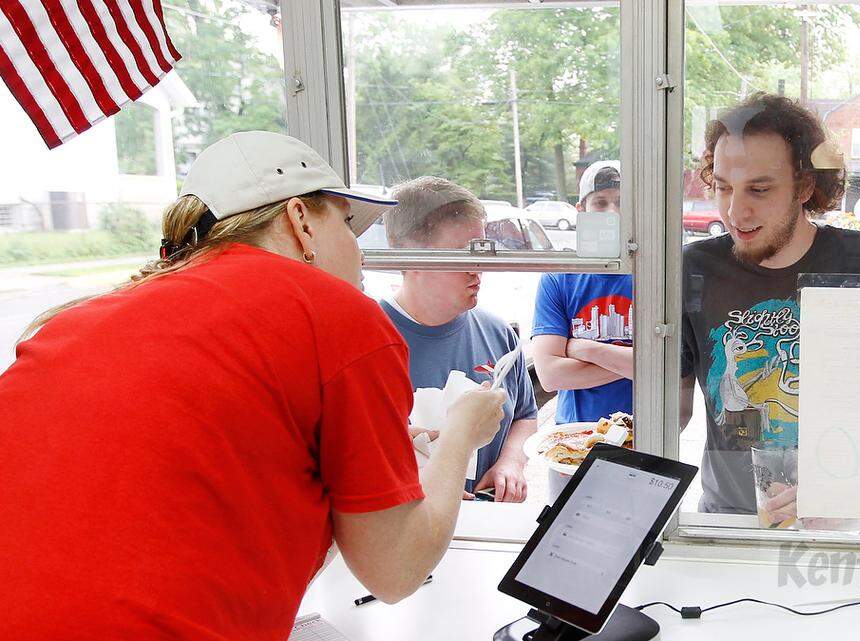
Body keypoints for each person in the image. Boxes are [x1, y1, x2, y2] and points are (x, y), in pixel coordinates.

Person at [0, 132, 508, 640]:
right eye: (348, 226)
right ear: (300, 220)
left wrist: (362, 464)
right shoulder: (336, 315)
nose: (358, 254)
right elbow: (397, 572)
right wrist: (462, 434)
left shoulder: (76, 321)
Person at [678, 92, 860, 516]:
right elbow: (672, 410)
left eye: (759, 189)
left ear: (805, 186)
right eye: (723, 188)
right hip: (729, 521)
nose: (735, 211)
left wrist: (836, 487)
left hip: (842, 517)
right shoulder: (694, 267)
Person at [381, 176, 538, 503]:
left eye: (479, 251)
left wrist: (511, 463)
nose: (476, 268)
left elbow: (524, 415)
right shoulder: (364, 339)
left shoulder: (499, 334)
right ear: (408, 257)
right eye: (458, 254)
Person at [532, 160, 633, 425]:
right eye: (600, 203)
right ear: (582, 211)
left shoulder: (657, 277)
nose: (613, 212)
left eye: (622, 202)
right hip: (574, 437)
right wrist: (632, 364)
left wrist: (586, 349)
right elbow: (550, 376)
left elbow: (669, 367)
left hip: (644, 438)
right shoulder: (559, 278)